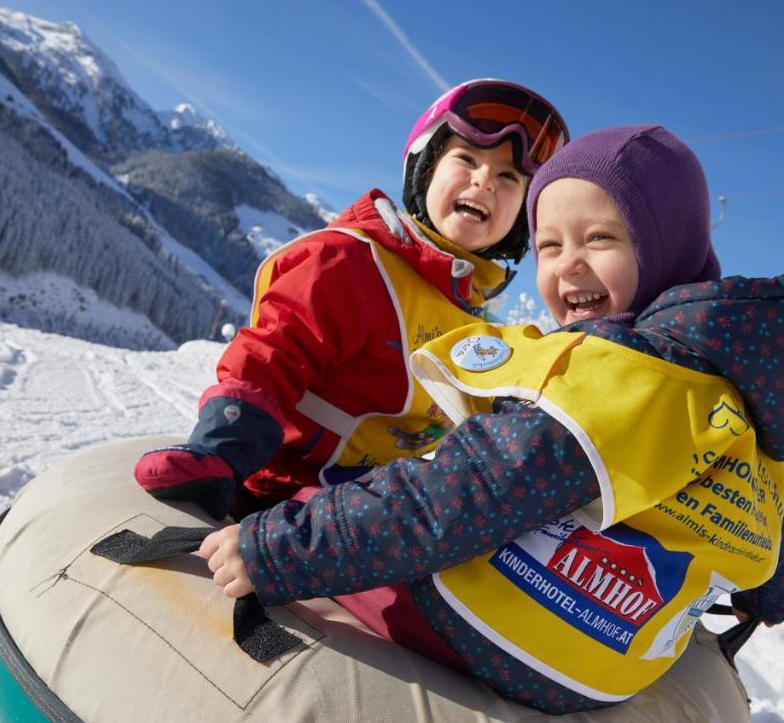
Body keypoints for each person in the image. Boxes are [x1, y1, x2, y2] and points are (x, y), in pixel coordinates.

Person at [200, 126, 784, 713]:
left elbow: (469, 490)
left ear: (667, 244)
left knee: (315, 498)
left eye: (600, 238)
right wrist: (773, 601)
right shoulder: (733, 390)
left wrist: (279, 549)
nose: (568, 264)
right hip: (611, 671)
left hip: (492, 626)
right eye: (548, 245)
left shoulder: (630, 376)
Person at [133, 80, 570, 518]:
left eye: (508, 176)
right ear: (426, 167)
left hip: (367, 530)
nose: (484, 181)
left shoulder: (479, 321)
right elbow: (271, 357)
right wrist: (221, 452)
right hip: (273, 501)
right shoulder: (349, 262)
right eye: (467, 158)